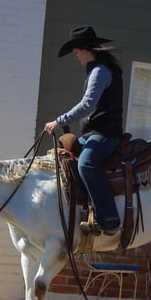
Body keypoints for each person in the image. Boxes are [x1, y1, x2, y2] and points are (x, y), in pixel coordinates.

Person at [44, 25, 124, 236]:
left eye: (76, 52)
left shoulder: (100, 71)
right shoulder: (97, 69)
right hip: (94, 133)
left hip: (106, 134)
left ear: (85, 49)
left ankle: (109, 220)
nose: (75, 57)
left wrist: (59, 121)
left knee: (87, 164)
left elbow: (87, 104)